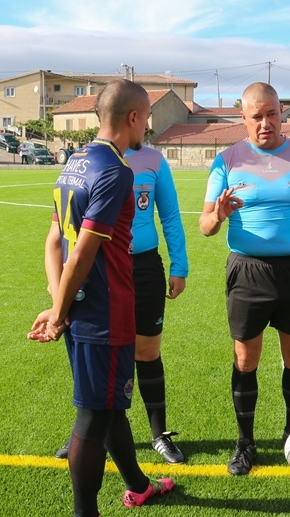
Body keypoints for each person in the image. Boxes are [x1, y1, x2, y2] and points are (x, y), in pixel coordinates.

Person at [28, 79, 175, 517]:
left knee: (110, 405)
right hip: (106, 311)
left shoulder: (74, 163)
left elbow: (54, 242)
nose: (149, 123)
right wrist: (57, 312)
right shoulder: (116, 170)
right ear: (133, 117)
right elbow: (83, 251)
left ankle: (138, 486)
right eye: (147, 115)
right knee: (94, 413)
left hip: (82, 309)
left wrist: (59, 306)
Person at [199, 82, 290, 476]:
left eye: (272, 114)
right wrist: (218, 214)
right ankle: (245, 442)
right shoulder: (227, 160)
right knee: (245, 359)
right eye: (257, 116)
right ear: (244, 118)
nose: (266, 123)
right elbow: (204, 226)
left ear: (282, 112)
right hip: (247, 271)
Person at [55, 144, 189, 464]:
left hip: (144, 269)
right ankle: (90, 430)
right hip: (100, 270)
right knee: (100, 353)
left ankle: (159, 434)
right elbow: (62, 224)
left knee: (146, 352)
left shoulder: (154, 160)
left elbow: (169, 214)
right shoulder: (92, 161)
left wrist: (179, 266)